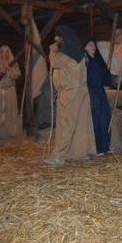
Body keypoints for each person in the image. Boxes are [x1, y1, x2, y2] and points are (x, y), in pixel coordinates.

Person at [44, 25, 96, 165]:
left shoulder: (69, 52)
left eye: (57, 40)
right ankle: (80, 152)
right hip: (78, 91)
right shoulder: (76, 51)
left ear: (64, 39)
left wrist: (52, 51)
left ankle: (59, 155)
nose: (55, 42)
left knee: (66, 123)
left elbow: (55, 62)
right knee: (79, 123)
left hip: (71, 92)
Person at [84, 38, 118, 156]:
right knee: (96, 119)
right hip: (91, 92)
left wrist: (115, 79)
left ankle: (105, 145)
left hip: (100, 92)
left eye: (93, 44)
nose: (93, 46)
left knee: (105, 117)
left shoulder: (98, 60)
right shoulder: (85, 62)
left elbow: (105, 76)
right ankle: (97, 148)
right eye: (89, 44)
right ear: (85, 47)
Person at [0, 45, 22, 140]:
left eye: (7, 51)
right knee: (0, 111)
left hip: (10, 90)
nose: (5, 54)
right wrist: (0, 71)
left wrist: (9, 69)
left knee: (10, 110)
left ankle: (11, 131)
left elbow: (17, 75)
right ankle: (0, 132)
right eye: (3, 52)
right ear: (0, 53)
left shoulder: (14, 64)